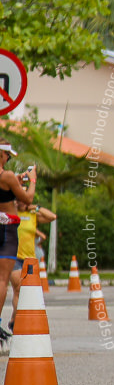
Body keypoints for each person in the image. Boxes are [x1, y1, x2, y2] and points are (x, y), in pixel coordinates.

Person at [0, 142, 35, 344]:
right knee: (3, 279)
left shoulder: (8, 178)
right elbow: (27, 199)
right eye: (7, 156)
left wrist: (17, 180)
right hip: (7, 228)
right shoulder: (7, 176)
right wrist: (32, 181)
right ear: (3, 155)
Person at [9, 182, 56, 330]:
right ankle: (18, 322)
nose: (22, 202)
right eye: (19, 198)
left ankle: (14, 317)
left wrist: (36, 207)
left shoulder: (32, 215)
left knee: (27, 292)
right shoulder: (11, 213)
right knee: (19, 288)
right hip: (14, 256)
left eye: (25, 199)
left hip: (30, 259)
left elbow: (52, 216)